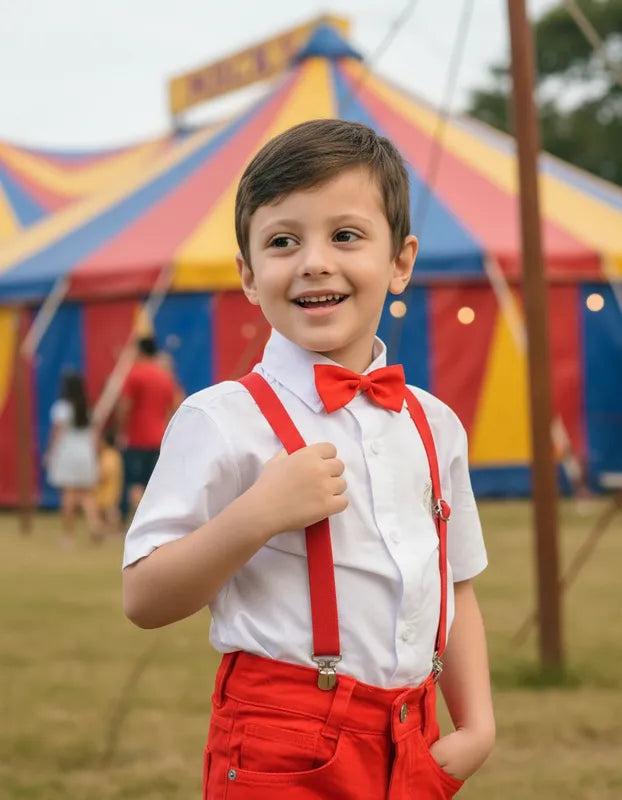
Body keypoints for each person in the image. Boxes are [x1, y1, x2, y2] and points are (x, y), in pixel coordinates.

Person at [122, 120, 495, 798]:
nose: (314, 261)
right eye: (283, 241)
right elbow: (143, 598)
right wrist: (255, 516)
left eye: (345, 236)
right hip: (281, 746)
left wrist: (476, 729)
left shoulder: (434, 424)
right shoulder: (218, 419)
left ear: (401, 261)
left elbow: (457, 580)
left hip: (416, 734)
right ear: (248, 274)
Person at [116, 336, 182, 515]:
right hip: (159, 437)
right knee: (153, 483)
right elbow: (175, 406)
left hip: (137, 438)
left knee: (133, 483)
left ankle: (131, 519)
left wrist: (121, 431)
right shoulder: (165, 376)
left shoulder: (135, 373)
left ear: (139, 351)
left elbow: (125, 406)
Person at [46, 371, 100, 545]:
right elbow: (94, 435)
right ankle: (95, 526)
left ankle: (68, 535)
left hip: (67, 454)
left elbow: (56, 433)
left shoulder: (61, 408)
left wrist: (49, 453)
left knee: (68, 494)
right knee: (86, 494)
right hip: (86, 455)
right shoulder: (88, 407)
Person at [96, 428, 123, 536]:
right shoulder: (116, 454)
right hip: (113, 489)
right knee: (108, 513)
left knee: (110, 513)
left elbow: (104, 473)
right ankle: (107, 531)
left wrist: (96, 479)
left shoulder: (107, 455)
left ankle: (115, 530)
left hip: (106, 491)